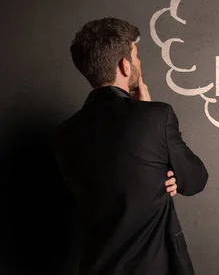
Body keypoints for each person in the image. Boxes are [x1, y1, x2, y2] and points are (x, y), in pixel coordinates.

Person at [51, 18, 209, 275]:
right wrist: (148, 114)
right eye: (136, 57)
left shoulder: (63, 133)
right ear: (125, 66)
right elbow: (195, 180)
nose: (138, 63)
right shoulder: (155, 117)